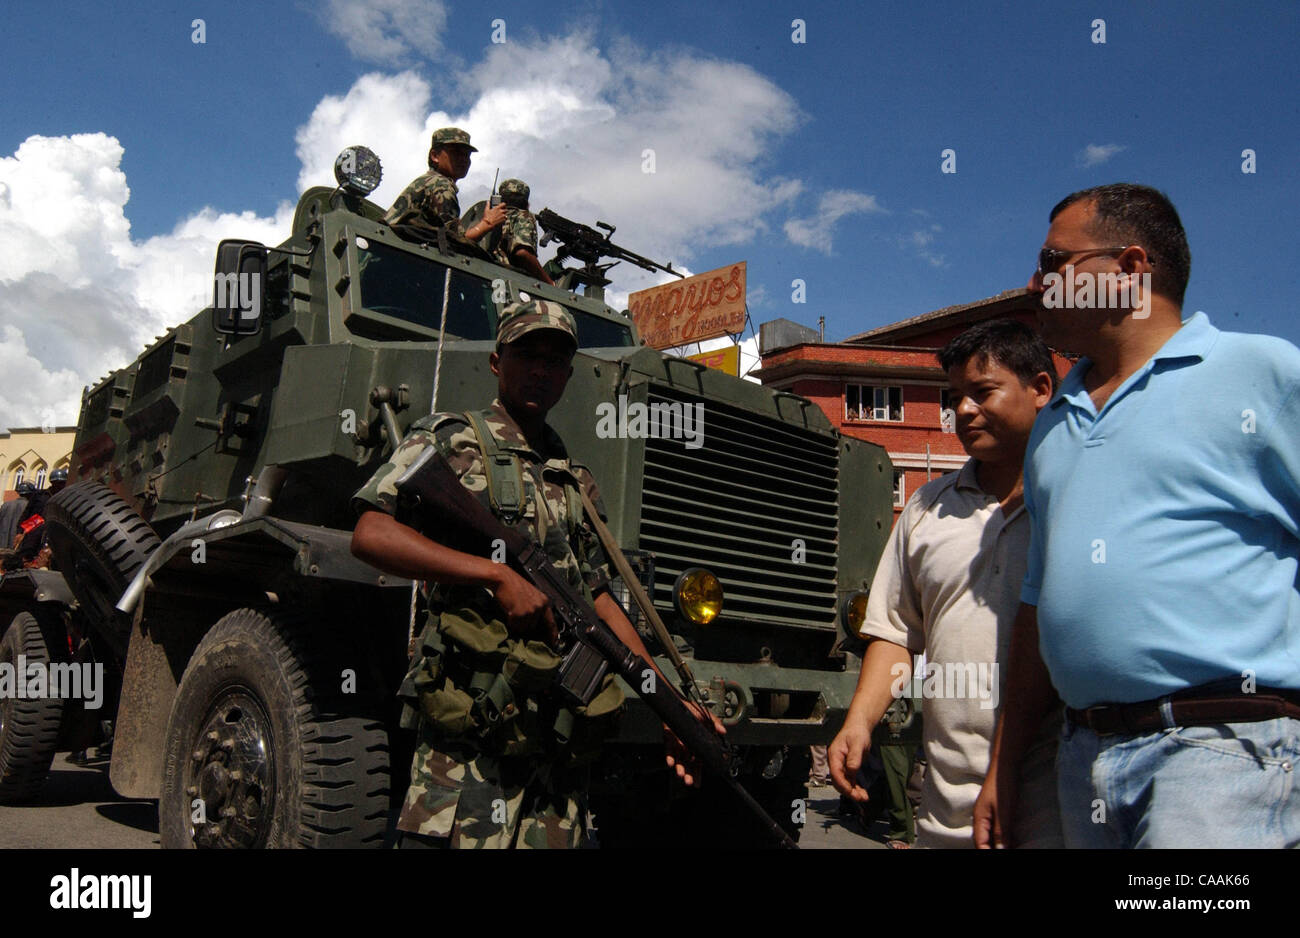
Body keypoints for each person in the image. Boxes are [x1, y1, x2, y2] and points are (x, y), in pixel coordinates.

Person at [975, 183, 1300, 849]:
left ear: (1128, 269)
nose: (1034, 283)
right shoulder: (1053, 426)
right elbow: (1037, 609)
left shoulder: (1262, 371)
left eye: (1052, 262)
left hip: (1223, 751)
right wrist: (1003, 767)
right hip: (1082, 759)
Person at [350, 299, 722, 848]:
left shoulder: (574, 481)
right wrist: (495, 576)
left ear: (568, 376)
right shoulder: (452, 440)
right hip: (472, 739)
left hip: (557, 749)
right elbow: (370, 534)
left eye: (555, 361)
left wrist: (666, 699)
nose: (541, 370)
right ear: (498, 361)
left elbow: (599, 602)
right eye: (528, 354)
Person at [828, 319, 1064, 848]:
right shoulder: (925, 507)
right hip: (945, 814)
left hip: (1058, 806)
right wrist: (860, 721)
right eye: (953, 396)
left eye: (982, 392)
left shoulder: (1074, 501)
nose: (962, 410)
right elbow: (894, 634)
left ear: (1041, 390)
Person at [383, 127, 506, 243]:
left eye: (467, 155)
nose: (464, 159)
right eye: (456, 153)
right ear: (435, 156)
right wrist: (487, 223)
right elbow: (454, 242)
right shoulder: (440, 185)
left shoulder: (428, 181)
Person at [462, 178, 555, 285]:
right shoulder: (522, 215)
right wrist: (550, 284)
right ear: (527, 203)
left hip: (477, 271)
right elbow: (522, 253)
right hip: (502, 279)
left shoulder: (487, 214)